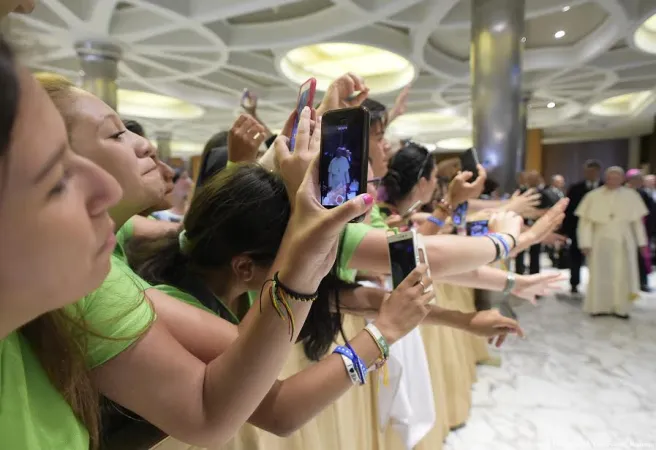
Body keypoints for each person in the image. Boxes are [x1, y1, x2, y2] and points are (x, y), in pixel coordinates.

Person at [36, 72, 383, 448]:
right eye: (117, 134)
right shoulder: (81, 278)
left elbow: (199, 229)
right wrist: (385, 331)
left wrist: (281, 158)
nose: (146, 145)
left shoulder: (104, 249)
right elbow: (257, 404)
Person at [576, 167, 648, 318]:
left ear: (622, 179)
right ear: (606, 178)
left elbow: (637, 223)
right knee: (599, 274)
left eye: (617, 178)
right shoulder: (593, 196)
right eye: (610, 177)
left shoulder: (631, 196)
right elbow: (585, 224)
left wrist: (642, 243)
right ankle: (598, 307)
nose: (613, 181)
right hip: (599, 240)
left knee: (622, 275)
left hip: (624, 240)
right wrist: (585, 243)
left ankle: (621, 308)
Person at [562, 159, 603, 295]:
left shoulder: (604, 188)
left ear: (598, 172)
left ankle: (597, 284)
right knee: (576, 257)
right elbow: (568, 210)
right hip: (577, 229)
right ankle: (574, 283)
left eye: (593, 171)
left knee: (598, 258)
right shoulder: (576, 188)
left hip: (599, 230)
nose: (590, 174)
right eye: (588, 171)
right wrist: (566, 230)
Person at [626, 169, 655, 291]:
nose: (637, 182)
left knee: (642, 257)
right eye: (634, 179)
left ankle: (642, 282)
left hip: (642, 230)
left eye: (639, 180)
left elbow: (652, 213)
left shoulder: (645, 194)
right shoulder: (622, 193)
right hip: (624, 230)